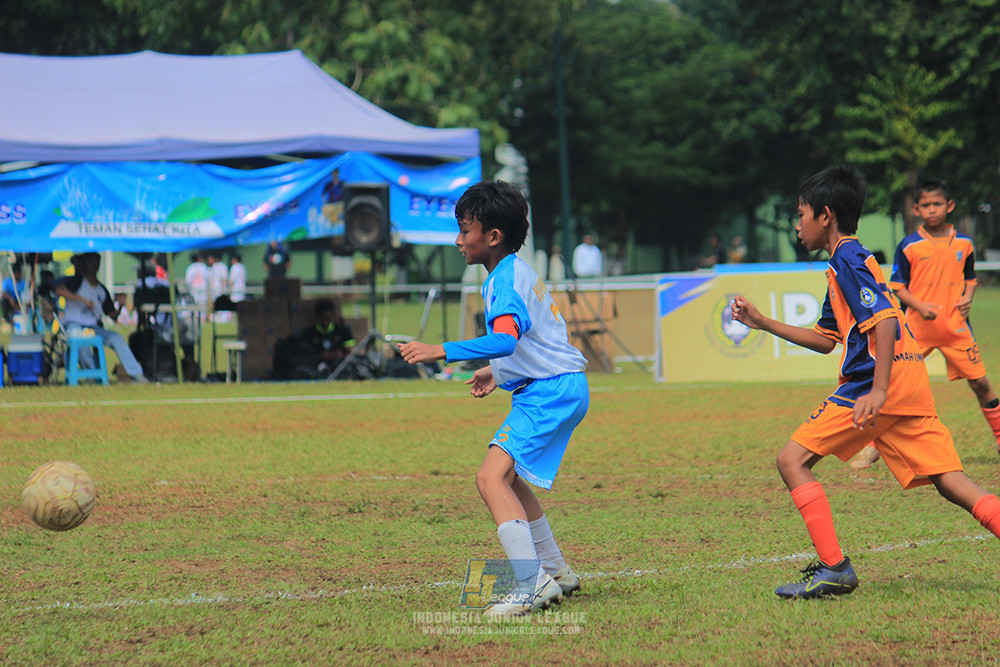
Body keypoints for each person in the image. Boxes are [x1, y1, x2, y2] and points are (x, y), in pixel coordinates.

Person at [729, 166, 1000, 600]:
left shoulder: (847, 259)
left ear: (826, 215)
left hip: (877, 383)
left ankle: (834, 568)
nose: (797, 225)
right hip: (908, 381)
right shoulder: (846, 263)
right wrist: (763, 323)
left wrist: (877, 390)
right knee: (953, 483)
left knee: (791, 461)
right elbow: (824, 340)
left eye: (801, 215)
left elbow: (888, 321)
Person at [399, 181, 589, 617]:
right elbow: (530, 340)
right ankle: (556, 571)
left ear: (493, 236)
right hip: (559, 386)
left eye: (465, 230)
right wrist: (495, 371)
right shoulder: (517, 271)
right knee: (510, 479)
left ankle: (532, 584)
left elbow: (505, 338)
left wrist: (440, 349)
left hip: (549, 392)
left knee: (489, 479)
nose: (458, 240)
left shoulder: (504, 279)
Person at [853, 178, 1000, 468]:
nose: (932, 210)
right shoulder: (909, 245)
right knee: (892, 383)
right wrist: (919, 305)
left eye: (937, 204)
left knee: (981, 383)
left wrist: (968, 296)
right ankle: (872, 446)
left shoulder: (965, 244)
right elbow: (898, 286)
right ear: (917, 209)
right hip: (917, 330)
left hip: (956, 328)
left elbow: (971, 278)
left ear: (949, 206)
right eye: (926, 205)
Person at [53, 252, 148, 383]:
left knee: (116, 338)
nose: (94, 265)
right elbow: (58, 289)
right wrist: (83, 300)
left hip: (93, 327)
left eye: (97, 262)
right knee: (80, 340)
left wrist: (120, 306)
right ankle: (92, 375)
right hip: (73, 324)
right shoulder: (75, 282)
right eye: (91, 262)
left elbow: (112, 316)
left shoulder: (101, 290)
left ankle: (137, 374)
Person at [301, 298, 354, 374]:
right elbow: (305, 355)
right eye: (322, 319)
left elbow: (351, 351)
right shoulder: (309, 333)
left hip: (340, 366)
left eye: (328, 318)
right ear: (317, 317)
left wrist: (341, 355)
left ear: (333, 316)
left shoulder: (343, 330)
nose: (326, 322)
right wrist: (320, 356)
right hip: (317, 367)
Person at [2, 261, 31, 326]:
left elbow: (26, 294)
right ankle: (7, 319)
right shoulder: (7, 281)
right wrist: (10, 299)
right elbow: (3, 293)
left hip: (21, 301)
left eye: (18, 273)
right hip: (10, 301)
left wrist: (21, 304)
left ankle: (28, 318)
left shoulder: (23, 282)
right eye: (15, 272)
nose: (17, 274)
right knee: (4, 301)